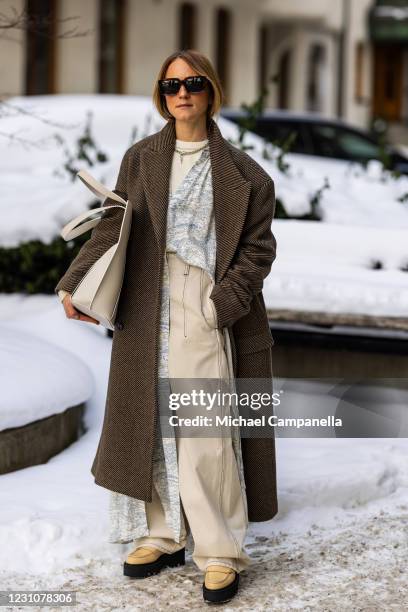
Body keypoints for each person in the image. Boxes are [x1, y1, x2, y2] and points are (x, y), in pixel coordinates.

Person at [56, 49, 278, 604]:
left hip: (203, 301)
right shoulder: (141, 158)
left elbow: (258, 249)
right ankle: (162, 533)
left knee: (205, 429)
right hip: (144, 302)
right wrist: (75, 282)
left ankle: (219, 549)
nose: (182, 93)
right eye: (171, 85)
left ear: (211, 92)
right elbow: (115, 223)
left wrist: (220, 302)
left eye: (194, 83)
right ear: (162, 95)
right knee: (149, 418)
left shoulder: (245, 174)